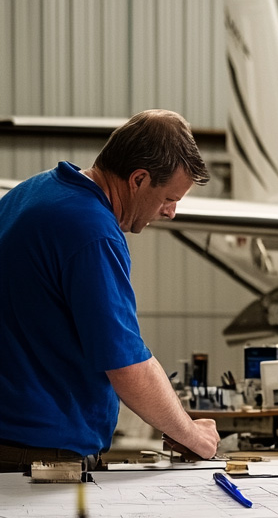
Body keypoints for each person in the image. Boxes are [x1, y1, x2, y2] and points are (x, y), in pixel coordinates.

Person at [0, 109, 221, 472]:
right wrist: (192, 436)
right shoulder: (91, 230)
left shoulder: (35, 191)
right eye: (169, 197)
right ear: (138, 179)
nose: (171, 212)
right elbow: (125, 363)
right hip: (36, 452)